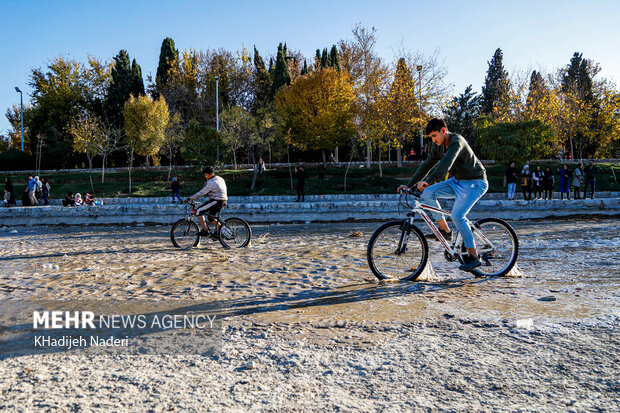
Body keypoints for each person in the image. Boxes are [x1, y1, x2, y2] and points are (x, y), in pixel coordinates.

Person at [397, 118, 488, 272]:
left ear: (443, 131)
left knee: (458, 215)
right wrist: (411, 184)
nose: (433, 140)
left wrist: (428, 180)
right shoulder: (438, 147)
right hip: (458, 182)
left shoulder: (456, 141)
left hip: (476, 182)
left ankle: (474, 256)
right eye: (431, 137)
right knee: (428, 193)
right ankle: (445, 231)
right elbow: (427, 164)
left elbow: (446, 163)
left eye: (434, 136)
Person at [184, 166, 228, 237]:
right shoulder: (220, 178)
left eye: (206, 175)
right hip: (223, 200)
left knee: (198, 211)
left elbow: (201, 193)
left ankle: (205, 230)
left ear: (211, 174)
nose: (205, 176)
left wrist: (189, 198)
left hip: (216, 201)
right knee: (211, 217)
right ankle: (221, 229)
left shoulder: (210, 182)